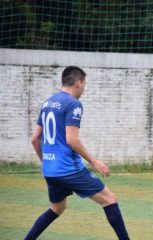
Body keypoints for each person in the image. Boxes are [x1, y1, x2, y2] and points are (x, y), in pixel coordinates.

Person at [26, 66, 130, 240]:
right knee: (109, 199)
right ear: (79, 82)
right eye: (84, 84)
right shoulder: (74, 104)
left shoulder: (47, 103)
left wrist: (46, 162)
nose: (84, 88)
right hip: (68, 169)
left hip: (50, 170)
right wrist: (94, 161)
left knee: (57, 208)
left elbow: (35, 139)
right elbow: (71, 140)